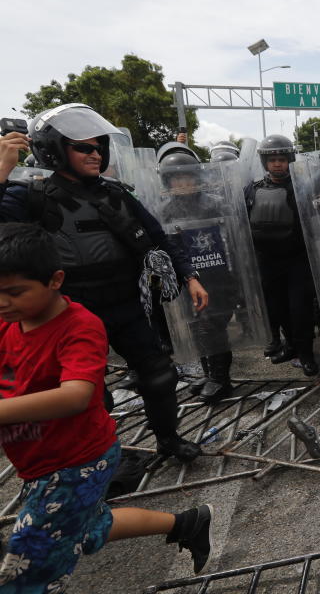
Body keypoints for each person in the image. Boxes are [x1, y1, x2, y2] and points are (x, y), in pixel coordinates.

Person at [0, 223, 213, 590]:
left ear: (55, 280)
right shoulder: (9, 322)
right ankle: (187, 524)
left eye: (14, 293)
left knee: (28, 567)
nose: (2, 302)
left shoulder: (78, 327)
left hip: (75, 462)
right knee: (90, 526)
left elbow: (76, 395)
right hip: (36, 459)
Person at [0, 104, 204, 463]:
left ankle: (169, 440)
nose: (95, 154)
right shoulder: (31, 196)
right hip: (71, 311)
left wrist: (189, 275)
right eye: (84, 147)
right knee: (90, 394)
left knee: (159, 375)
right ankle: (100, 459)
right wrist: (2, 171)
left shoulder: (116, 194)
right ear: (56, 150)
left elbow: (158, 237)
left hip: (127, 304)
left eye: (98, 147)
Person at [245, 134, 320, 377]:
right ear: (264, 162)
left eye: (281, 159)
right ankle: (290, 347)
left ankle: (306, 354)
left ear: (289, 159)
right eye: (272, 159)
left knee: (299, 310)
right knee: (277, 309)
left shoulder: (301, 185)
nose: (277, 163)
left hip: (297, 260)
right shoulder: (253, 189)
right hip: (267, 260)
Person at [157, 150, 239, 404]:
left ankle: (221, 379)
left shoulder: (214, 204)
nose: (183, 184)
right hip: (186, 278)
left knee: (211, 325)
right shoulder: (166, 210)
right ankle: (209, 372)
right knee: (197, 327)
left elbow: (233, 240)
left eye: (187, 178)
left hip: (217, 276)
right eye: (176, 179)